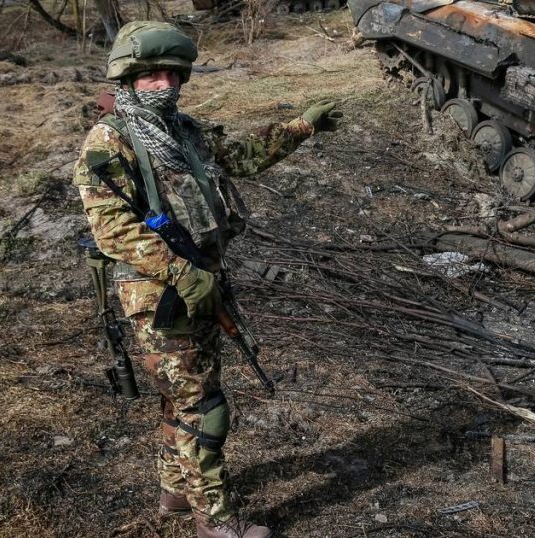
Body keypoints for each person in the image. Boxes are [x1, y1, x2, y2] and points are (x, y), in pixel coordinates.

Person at [72, 20, 340, 538]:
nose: (165, 85)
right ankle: (214, 519)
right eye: (152, 76)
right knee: (204, 407)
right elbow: (113, 229)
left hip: (203, 280)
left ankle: (176, 489)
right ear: (127, 80)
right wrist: (181, 272)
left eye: (173, 75)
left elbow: (238, 158)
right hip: (159, 293)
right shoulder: (108, 141)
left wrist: (302, 126)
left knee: (183, 395)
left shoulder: (183, 132)